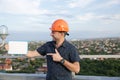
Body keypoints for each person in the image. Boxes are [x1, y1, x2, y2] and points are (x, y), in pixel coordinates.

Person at [6, 19, 80, 80]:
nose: (51, 34)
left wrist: (61, 60)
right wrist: (13, 48)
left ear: (62, 33)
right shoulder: (48, 45)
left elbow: (76, 69)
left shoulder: (71, 48)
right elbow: (31, 54)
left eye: (53, 32)